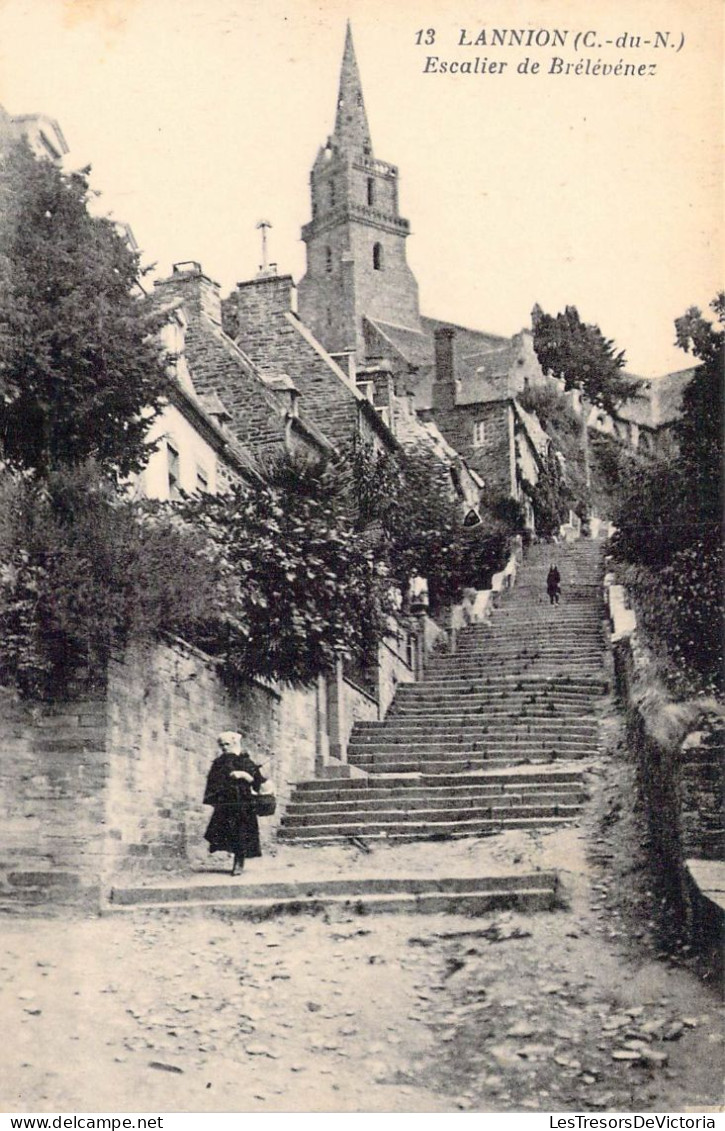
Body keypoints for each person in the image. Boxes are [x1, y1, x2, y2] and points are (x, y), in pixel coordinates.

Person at [203, 731, 266, 876]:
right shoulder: (219, 763)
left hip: (243, 803)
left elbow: (258, 782)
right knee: (225, 830)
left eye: (227, 744)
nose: (224, 748)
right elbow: (212, 781)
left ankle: (239, 861)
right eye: (222, 745)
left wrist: (244, 775)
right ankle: (231, 855)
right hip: (226, 802)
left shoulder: (246, 761)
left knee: (242, 831)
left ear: (235, 744)